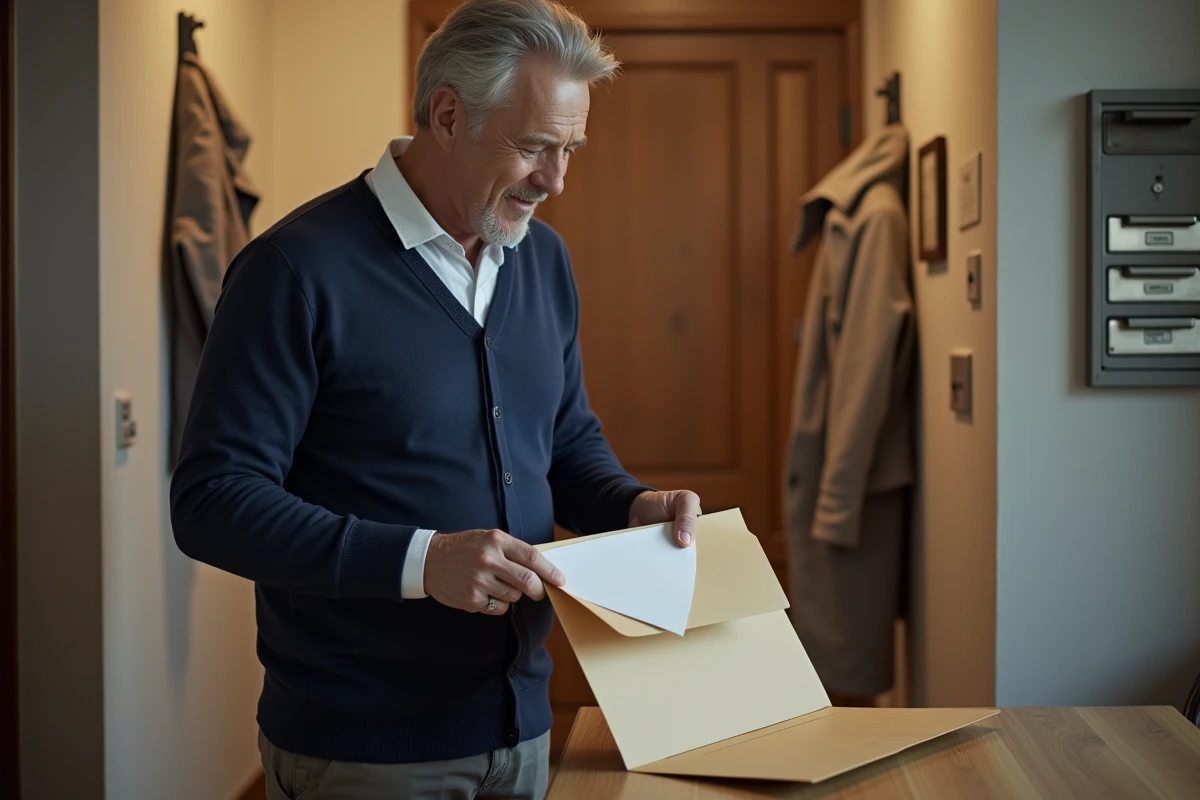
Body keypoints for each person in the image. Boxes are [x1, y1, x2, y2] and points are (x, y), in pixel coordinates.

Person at [169, 0, 700, 798]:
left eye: (570, 150)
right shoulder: (294, 270)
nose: (556, 180)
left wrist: (631, 505)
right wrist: (421, 562)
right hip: (363, 750)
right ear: (448, 115)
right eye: (535, 147)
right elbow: (212, 502)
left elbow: (563, 441)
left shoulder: (543, 260)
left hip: (522, 730)